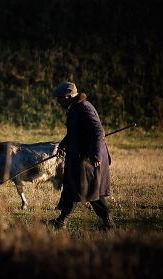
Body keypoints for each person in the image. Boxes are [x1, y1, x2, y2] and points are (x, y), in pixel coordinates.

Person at [46, 81, 114, 230]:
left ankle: (108, 222)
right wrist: (63, 145)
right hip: (78, 156)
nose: (58, 102)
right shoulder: (75, 108)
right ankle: (61, 221)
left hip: (89, 158)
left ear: (67, 97)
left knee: (89, 190)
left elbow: (98, 132)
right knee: (72, 187)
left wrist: (95, 156)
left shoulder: (84, 108)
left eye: (59, 99)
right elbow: (74, 133)